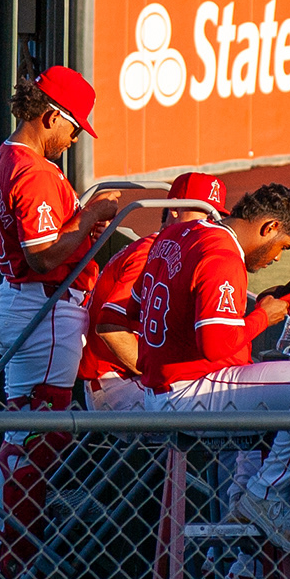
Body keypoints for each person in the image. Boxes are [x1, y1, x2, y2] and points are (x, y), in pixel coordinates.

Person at [134, 182, 290, 554]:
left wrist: (251, 314)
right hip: (188, 396)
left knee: (267, 390)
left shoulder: (179, 233)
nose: (278, 258)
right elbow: (215, 344)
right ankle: (264, 494)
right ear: (268, 227)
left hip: (159, 390)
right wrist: (263, 317)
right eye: (283, 245)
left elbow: (142, 304)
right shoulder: (223, 254)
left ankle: (242, 555)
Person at [0, 67, 122, 579]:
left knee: (22, 431)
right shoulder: (34, 171)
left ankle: (3, 548)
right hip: (46, 309)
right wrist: (85, 225)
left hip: (23, 303)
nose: (76, 135)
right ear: (49, 116)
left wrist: (81, 220)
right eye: (73, 125)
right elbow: (42, 256)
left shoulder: (5, 156)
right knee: (42, 433)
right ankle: (10, 554)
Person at [78, 171, 228, 412]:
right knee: (211, 409)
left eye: (215, 216)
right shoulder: (152, 252)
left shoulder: (162, 247)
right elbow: (111, 329)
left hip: (123, 377)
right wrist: (160, 371)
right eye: (203, 214)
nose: (210, 224)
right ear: (175, 210)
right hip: (115, 381)